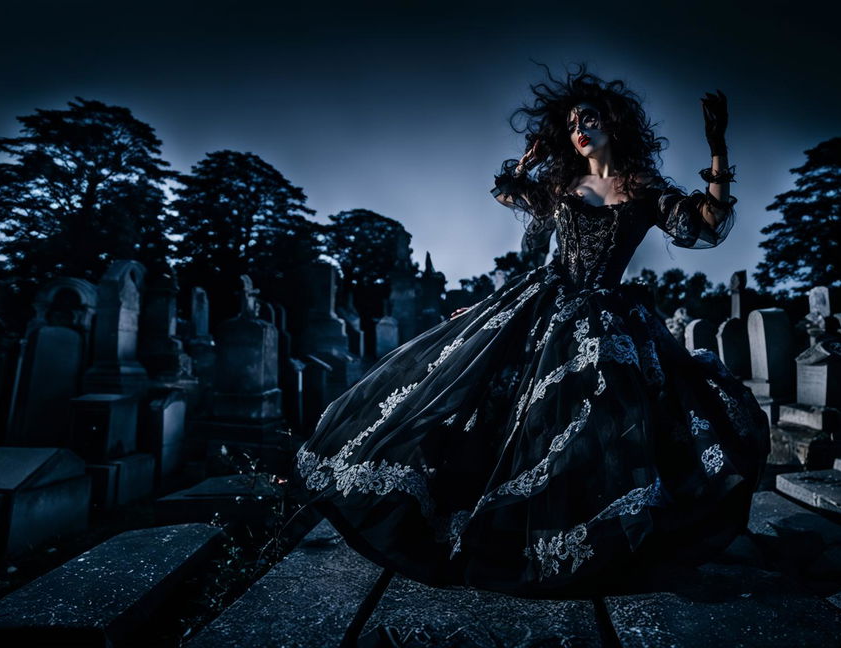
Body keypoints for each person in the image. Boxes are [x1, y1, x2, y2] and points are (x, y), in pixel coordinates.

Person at [293, 65, 770, 599]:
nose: (580, 129)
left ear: (614, 123)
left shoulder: (642, 187)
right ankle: (490, 522)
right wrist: (529, 161)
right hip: (543, 300)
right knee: (488, 404)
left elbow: (704, 224)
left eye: (588, 118)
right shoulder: (565, 183)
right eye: (571, 124)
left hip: (606, 316)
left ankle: (590, 534)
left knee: (602, 424)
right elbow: (508, 193)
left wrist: (717, 147)